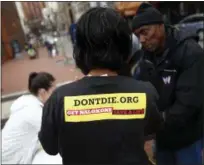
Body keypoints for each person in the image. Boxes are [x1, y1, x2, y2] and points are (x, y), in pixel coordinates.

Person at [39, 7, 163, 165]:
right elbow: (151, 131)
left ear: (80, 50)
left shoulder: (59, 100)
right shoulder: (145, 92)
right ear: (125, 47)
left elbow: (50, 147)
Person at [131, 2, 204, 165]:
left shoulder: (190, 52)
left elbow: (188, 104)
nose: (141, 39)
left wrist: (153, 122)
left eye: (145, 32)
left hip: (187, 139)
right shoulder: (145, 58)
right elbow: (137, 90)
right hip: (163, 140)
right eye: (138, 35)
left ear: (160, 25)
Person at [2, 72, 61, 164]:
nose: (56, 95)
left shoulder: (28, 102)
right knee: (58, 156)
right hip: (12, 159)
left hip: (10, 153)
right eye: (53, 92)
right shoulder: (33, 111)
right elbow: (57, 130)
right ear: (42, 92)